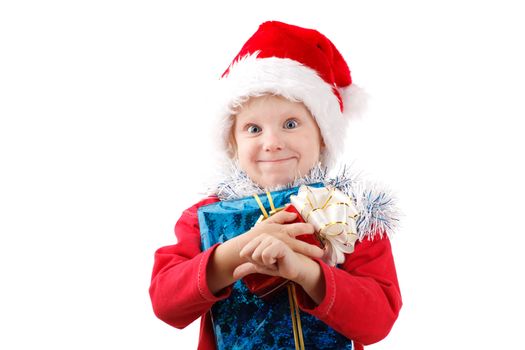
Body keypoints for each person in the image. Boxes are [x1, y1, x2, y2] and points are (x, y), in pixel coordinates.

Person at [149, 21, 402, 350]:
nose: (272, 142)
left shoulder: (351, 213)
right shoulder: (203, 217)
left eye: (291, 123)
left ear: (323, 136)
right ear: (232, 143)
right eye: (253, 129)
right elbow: (165, 303)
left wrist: (308, 273)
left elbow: (378, 322)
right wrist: (234, 253)